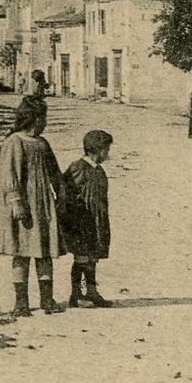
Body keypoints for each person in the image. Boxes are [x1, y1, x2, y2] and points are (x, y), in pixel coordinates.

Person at [0, 96, 66, 316]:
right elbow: (9, 173)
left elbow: (55, 172)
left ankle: (47, 299)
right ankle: (21, 303)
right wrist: (15, 201)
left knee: (44, 252)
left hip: (42, 204)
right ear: (33, 118)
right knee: (22, 252)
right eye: (43, 117)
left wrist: (60, 193)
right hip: (23, 205)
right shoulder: (15, 142)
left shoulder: (42, 143)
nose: (45, 122)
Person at [62, 129, 115, 308]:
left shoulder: (98, 170)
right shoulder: (78, 168)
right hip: (82, 222)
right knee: (82, 259)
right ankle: (76, 294)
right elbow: (66, 193)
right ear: (95, 149)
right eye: (105, 150)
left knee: (92, 258)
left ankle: (91, 292)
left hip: (97, 222)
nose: (107, 154)